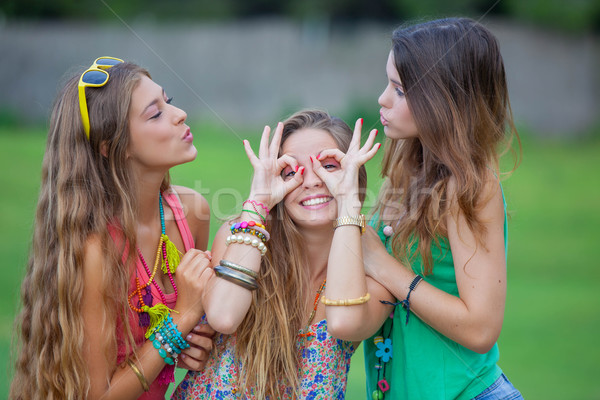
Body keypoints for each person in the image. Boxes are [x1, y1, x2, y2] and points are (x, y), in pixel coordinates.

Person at [11, 57, 215, 400]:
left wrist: (192, 345)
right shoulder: (97, 250)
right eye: (155, 113)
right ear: (111, 147)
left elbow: (183, 341)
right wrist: (181, 321)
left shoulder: (192, 213)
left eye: (169, 100)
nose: (179, 114)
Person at [172, 109, 394, 399]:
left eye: (328, 166)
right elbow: (224, 316)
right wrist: (259, 200)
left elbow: (344, 322)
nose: (312, 181)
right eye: (291, 172)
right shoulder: (242, 236)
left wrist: (349, 205)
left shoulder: (373, 267)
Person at [361, 18, 523, 399]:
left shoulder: (470, 185)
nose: (383, 99)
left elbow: (481, 329)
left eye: (399, 90)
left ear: (442, 100)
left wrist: (384, 267)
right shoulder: (406, 167)